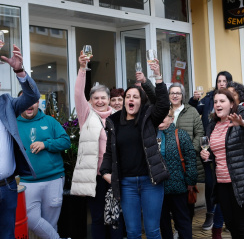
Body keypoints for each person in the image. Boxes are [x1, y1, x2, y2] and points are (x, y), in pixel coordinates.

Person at [100, 60, 170, 239]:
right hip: (126, 185)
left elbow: (162, 104)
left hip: (150, 182)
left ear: (141, 101)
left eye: (136, 97)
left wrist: (156, 77)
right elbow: (110, 150)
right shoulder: (114, 121)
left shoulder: (149, 118)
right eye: (128, 96)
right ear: (124, 101)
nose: (131, 99)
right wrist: (105, 171)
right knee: (132, 232)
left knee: (153, 230)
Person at [200, 88, 244, 239]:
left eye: (222, 101)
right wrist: (206, 154)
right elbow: (215, 152)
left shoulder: (243, 114)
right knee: (231, 225)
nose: (218, 104)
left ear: (231, 104)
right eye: (216, 101)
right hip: (222, 183)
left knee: (243, 226)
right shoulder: (212, 125)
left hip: (242, 181)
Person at [70, 51, 123, 239]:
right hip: (97, 177)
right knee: (99, 218)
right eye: (96, 98)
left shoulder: (118, 118)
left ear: (109, 100)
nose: (100, 101)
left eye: (103, 98)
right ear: (91, 101)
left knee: (116, 218)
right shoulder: (86, 116)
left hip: (117, 175)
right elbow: (77, 93)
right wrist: (82, 69)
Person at [16, 95, 71, 239]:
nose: (29, 104)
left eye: (33, 101)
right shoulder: (13, 124)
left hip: (53, 179)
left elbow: (66, 142)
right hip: (27, 181)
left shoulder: (49, 121)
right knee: (31, 220)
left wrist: (45, 144)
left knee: (50, 225)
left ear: (37, 103)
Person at [0, 45, 40, 239]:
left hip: (7, 187)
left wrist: (19, 71)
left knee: (8, 234)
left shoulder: (6, 103)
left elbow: (32, 96)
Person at [188, 71, 232, 235]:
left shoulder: (232, 100)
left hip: (226, 147)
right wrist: (194, 99)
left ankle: (227, 218)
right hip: (208, 146)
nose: (221, 83)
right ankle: (210, 214)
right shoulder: (207, 99)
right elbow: (192, 109)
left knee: (227, 184)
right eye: (219, 81)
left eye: (224, 80)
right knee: (210, 182)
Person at [158, 109, 197, 239]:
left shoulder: (180, 134)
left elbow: (191, 159)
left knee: (182, 223)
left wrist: (190, 182)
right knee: (164, 225)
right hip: (157, 190)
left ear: (171, 118)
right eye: (159, 116)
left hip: (178, 188)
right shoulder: (150, 135)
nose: (162, 119)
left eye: (165, 116)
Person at [168, 82, 204, 220]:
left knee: (187, 200)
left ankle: (184, 230)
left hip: (187, 162)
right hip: (169, 163)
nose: (175, 96)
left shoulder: (191, 111)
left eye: (178, 93)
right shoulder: (165, 111)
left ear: (182, 95)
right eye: (172, 93)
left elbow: (200, 133)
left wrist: (189, 151)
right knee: (171, 202)